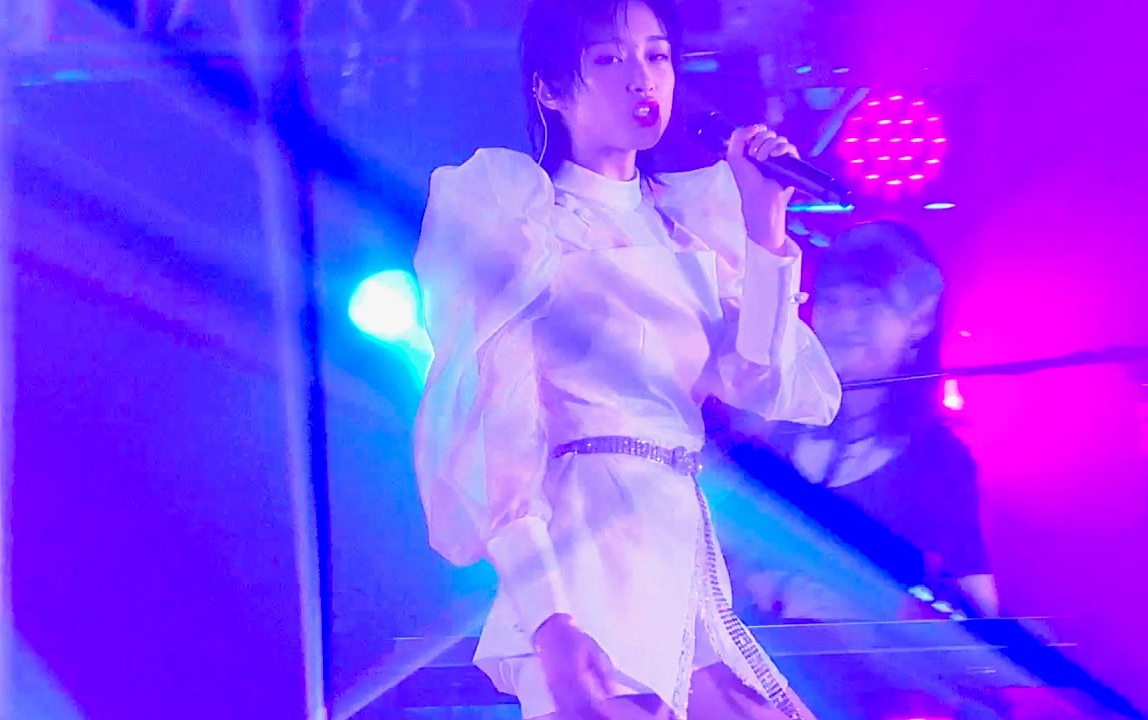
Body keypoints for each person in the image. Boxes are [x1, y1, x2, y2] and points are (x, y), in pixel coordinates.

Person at [411, 0, 841, 718]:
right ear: (550, 88)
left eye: (656, 55)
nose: (641, 77)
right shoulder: (526, 224)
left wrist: (766, 230)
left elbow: (764, 380)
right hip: (588, 552)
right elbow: (499, 436)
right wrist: (548, 619)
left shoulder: (685, 224)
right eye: (608, 58)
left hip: (678, 543)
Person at [712, 220, 998, 624]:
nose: (844, 322)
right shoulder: (763, 431)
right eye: (831, 302)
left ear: (919, 322)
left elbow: (978, 616)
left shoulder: (939, 462)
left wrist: (866, 612)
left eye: (867, 303)